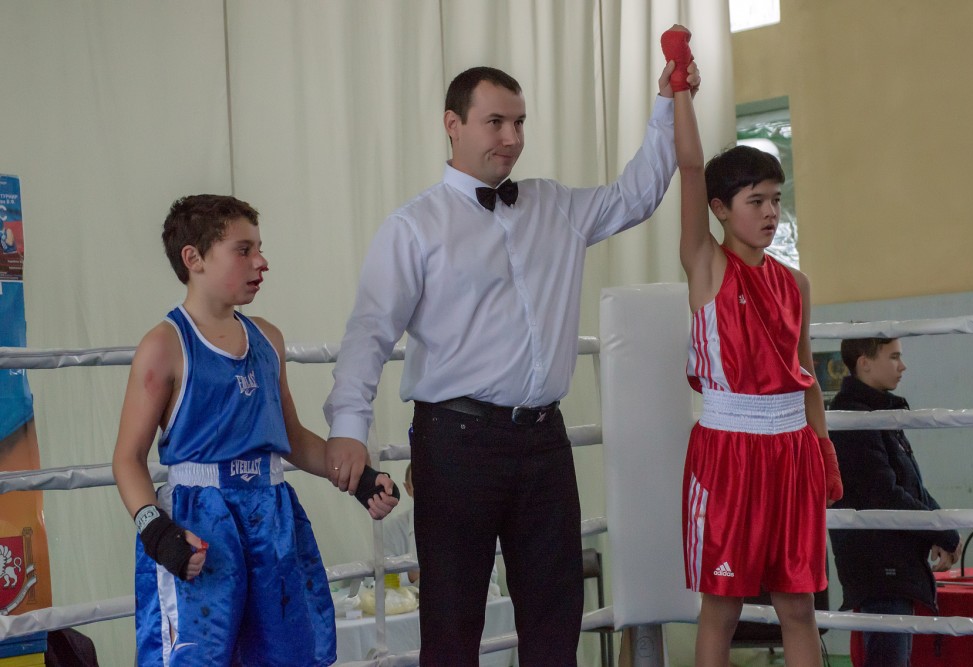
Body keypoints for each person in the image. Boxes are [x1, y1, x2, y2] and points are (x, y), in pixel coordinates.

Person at [323, 46, 700, 665]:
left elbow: (637, 194)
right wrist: (347, 427)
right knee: (452, 624)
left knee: (556, 620)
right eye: (495, 122)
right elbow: (369, 332)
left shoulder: (556, 205)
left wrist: (666, 102)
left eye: (519, 122)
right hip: (455, 442)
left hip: (543, 442)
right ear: (453, 124)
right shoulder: (414, 226)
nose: (511, 137)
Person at [111, 194, 398, 666]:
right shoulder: (164, 345)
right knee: (197, 658)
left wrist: (360, 479)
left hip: (272, 513)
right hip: (200, 520)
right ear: (194, 258)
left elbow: (292, 439)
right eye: (243, 250)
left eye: (259, 248)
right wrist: (155, 529)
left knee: (286, 655)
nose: (261, 262)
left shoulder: (267, 338)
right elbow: (127, 457)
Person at [668, 25, 842, 667]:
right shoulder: (706, 265)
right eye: (756, 201)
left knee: (799, 607)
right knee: (722, 606)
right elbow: (691, 169)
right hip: (729, 452)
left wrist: (823, 449)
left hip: (792, 450)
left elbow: (806, 375)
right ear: (720, 208)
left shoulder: (796, 283)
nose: (771, 212)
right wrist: (680, 91)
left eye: (776, 200)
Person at [829, 337, 961, 667]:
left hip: (891, 564)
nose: (903, 366)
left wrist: (941, 526)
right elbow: (884, 494)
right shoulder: (855, 420)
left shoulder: (877, 414)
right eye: (894, 357)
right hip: (880, 567)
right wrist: (941, 530)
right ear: (864, 363)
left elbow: (910, 486)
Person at [382, 463, 501, 595]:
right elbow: (382, 580)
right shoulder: (392, 529)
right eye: (421, 483)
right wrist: (410, 575)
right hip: (412, 603)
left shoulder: (472, 522)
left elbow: (491, 577)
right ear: (408, 488)